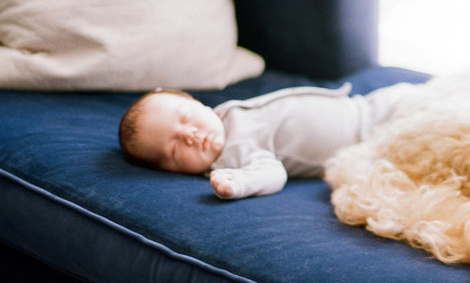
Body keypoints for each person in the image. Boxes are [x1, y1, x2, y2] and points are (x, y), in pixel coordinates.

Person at [118, 82, 417, 199]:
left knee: (419, 93)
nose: (190, 135)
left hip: (365, 106)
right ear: (172, 172)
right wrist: (237, 184)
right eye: (174, 148)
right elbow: (274, 174)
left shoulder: (224, 115)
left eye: (186, 116)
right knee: (434, 121)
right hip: (370, 136)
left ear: (199, 103)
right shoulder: (233, 156)